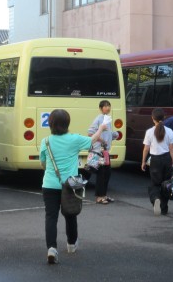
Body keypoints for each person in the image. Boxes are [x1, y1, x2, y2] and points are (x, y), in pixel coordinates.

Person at [39, 109, 107, 264]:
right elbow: (92, 140)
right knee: (70, 214)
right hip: (70, 185)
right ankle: (71, 244)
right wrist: (101, 129)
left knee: (51, 217)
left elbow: (43, 163)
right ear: (67, 123)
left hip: (49, 184)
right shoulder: (74, 139)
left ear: (50, 124)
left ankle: (51, 248)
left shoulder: (46, 141)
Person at [141, 108, 173, 216]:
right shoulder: (169, 131)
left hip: (155, 160)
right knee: (166, 184)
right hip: (167, 159)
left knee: (155, 183)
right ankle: (164, 208)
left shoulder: (149, 132)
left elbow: (146, 149)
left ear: (153, 118)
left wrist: (143, 161)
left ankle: (156, 198)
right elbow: (171, 148)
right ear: (164, 117)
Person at [87, 100, 119, 205]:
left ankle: (104, 195)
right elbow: (90, 133)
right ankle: (99, 197)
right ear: (101, 108)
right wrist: (102, 140)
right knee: (101, 174)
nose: (108, 108)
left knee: (107, 173)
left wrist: (114, 135)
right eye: (105, 106)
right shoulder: (99, 118)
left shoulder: (107, 119)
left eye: (109, 105)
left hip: (105, 152)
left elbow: (107, 134)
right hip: (99, 151)